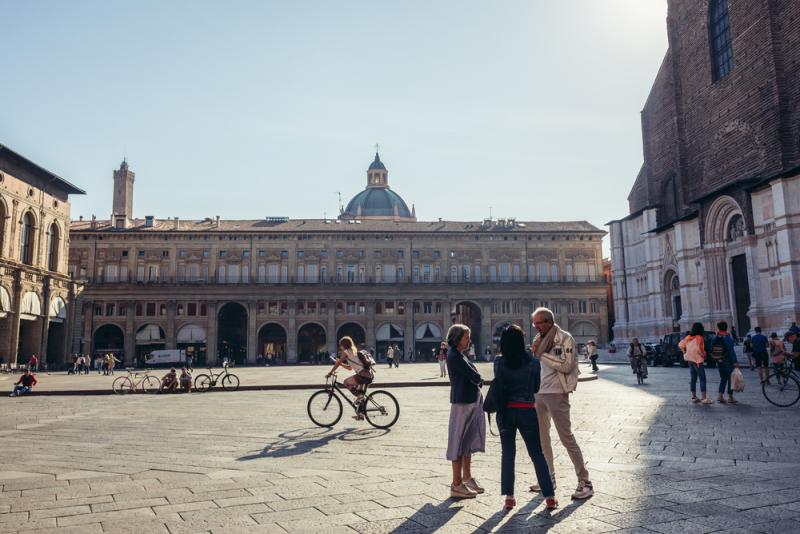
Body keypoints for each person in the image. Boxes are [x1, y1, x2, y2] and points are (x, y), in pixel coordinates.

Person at [529, 307, 593, 500]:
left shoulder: (566, 339)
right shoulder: (536, 340)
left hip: (557, 392)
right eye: (534, 324)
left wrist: (542, 354)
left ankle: (585, 481)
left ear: (548, 322)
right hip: (539, 393)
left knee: (566, 438)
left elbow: (567, 365)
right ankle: (548, 478)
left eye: (538, 323)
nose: (536, 327)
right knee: (542, 439)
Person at [495, 324, 557, 511]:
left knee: (508, 454)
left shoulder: (498, 362)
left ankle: (509, 498)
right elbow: (536, 387)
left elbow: (499, 384)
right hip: (527, 411)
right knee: (537, 454)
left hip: (506, 412)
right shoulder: (533, 362)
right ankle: (550, 497)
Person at [445, 323, 485, 499]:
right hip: (462, 403)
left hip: (467, 400)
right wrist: (479, 379)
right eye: (466, 337)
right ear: (457, 338)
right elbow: (475, 376)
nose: (469, 340)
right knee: (459, 442)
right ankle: (456, 484)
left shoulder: (459, 354)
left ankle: (466, 478)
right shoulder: (455, 356)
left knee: (466, 442)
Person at [326, 336, 374, 420]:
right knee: (359, 392)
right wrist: (341, 364)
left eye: (340, 345)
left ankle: (360, 397)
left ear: (344, 345)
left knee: (346, 382)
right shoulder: (353, 350)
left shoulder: (346, 352)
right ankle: (360, 414)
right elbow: (349, 368)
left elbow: (338, 363)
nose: (340, 346)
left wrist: (330, 372)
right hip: (368, 375)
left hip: (363, 375)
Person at [679, 323, 712, 404]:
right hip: (698, 361)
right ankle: (704, 398)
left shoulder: (688, 337)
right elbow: (700, 349)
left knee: (693, 378)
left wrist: (684, 352)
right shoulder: (699, 338)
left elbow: (680, 344)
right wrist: (704, 355)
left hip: (690, 360)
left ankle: (693, 396)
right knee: (702, 379)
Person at [710, 321, 739, 404]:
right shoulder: (727, 337)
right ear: (726, 327)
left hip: (719, 360)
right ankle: (730, 397)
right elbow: (731, 350)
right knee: (730, 378)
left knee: (723, 378)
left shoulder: (715, 337)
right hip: (727, 360)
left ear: (718, 328)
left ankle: (720, 396)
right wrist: (735, 362)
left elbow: (711, 348)